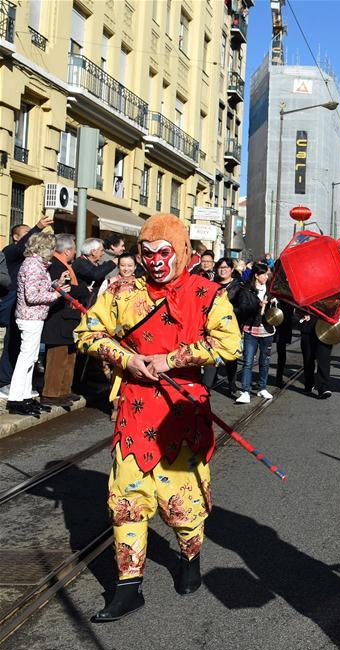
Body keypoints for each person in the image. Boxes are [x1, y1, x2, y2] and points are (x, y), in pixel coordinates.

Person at [75, 213, 241, 622]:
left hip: (181, 411)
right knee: (126, 499)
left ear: (182, 251)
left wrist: (169, 360)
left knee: (182, 501)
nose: (155, 261)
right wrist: (127, 359)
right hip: (134, 407)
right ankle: (128, 586)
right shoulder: (120, 291)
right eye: (147, 253)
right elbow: (88, 333)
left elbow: (229, 343)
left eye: (164, 252)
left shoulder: (206, 293)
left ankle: (190, 557)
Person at [8, 233, 69, 417]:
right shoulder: (34, 266)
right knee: (26, 358)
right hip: (30, 317)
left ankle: (24, 396)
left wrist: (56, 284)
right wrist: (56, 295)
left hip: (33, 316)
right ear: (44, 248)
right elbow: (32, 296)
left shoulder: (35, 265)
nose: (53, 252)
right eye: (51, 248)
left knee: (31, 357)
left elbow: (37, 289)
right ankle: (16, 399)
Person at [0, 216, 52, 394]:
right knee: (12, 343)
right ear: (16, 237)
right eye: (26, 235)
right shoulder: (11, 251)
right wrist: (37, 227)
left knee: (22, 348)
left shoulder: (29, 259)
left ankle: (17, 384)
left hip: (20, 305)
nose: (31, 239)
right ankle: (5, 382)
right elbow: (23, 246)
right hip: (13, 304)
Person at [41, 234, 90, 406]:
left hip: (68, 317)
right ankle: (51, 393)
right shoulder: (56, 265)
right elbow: (67, 290)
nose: (75, 252)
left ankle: (64, 390)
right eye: (74, 249)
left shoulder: (63, 264)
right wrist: (83, 289)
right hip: (58, 318)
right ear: (68, 251)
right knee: (57, 357)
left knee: (69, 355)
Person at [233, 262, 276, 403]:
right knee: (248, 361)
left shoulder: (271, 290)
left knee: (265, 361)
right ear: (257, 276)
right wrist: (257, 305)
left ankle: (262, 387)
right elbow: (242, 309)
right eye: (263, 274)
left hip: (268, 329)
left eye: (267, 273)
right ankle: (245, 391)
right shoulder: (247, 290)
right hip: (251, 329)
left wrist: (275, 303)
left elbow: (277, 309)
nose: (266, 276)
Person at [201, 258, 243, 395]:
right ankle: (208, 385)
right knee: (211, 355)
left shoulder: (238, 286)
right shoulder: (212, 285)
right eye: (220, 267)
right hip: (212, 328)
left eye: (226, 267)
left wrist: (227, 312)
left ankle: (232, 383)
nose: (223, 270)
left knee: (230, 356)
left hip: (231, 328)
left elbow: (243, 307)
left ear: (231, 270)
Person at [298, 312, 333, 399]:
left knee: (324, 359)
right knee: (308, 359)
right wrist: (301, 316)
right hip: (308, 328)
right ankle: (309, 383)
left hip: (325, 328)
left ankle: (323, 388)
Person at [73, 238, 117, 305]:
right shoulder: (80, 262)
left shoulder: (92, 263)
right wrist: (112, 263)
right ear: (93, 252)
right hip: (81, 304)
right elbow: (95, 274)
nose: (103, 254)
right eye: (101, 251)